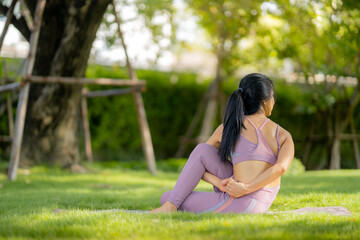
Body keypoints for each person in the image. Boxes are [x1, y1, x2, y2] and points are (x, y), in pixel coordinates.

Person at [149, 73, 295, 214]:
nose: (274, 101)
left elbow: (280, 169)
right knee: (202, 152)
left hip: (242, 202)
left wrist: (245, 188)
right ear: (265, 100)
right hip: (252, 201)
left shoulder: (230, 126)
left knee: (169, 197)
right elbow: (281, 167)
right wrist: (219, 183)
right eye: (273, 96)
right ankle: (170, 206)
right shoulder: (283, 134)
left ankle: (170, 206)